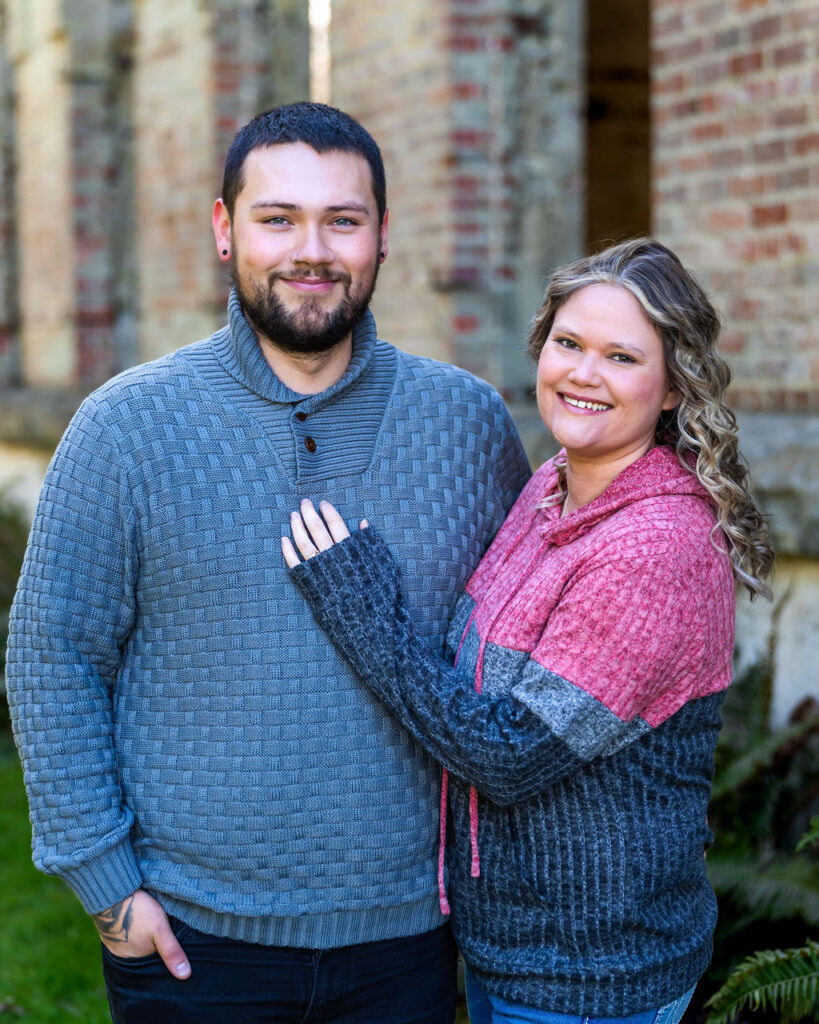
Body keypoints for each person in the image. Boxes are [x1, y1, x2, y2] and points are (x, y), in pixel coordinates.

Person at [6, 102, 530, 1024]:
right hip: (192, 946)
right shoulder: (125, 428)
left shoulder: (469, 425)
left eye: (343, 219)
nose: (311, 249)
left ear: (381, 237)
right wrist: (108, 889)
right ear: (225, 230)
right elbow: (53, 655)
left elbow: (521, 655)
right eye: (277, 218)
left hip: (409, 942)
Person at [282, 238, 775, 1024]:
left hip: (589, 977)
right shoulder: (551, 486)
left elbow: (509, 753)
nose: (582, 373)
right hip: (511, 953)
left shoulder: (654, 550)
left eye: (620, 356)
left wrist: (362, 609)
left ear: (674, 385)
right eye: (568, 343)